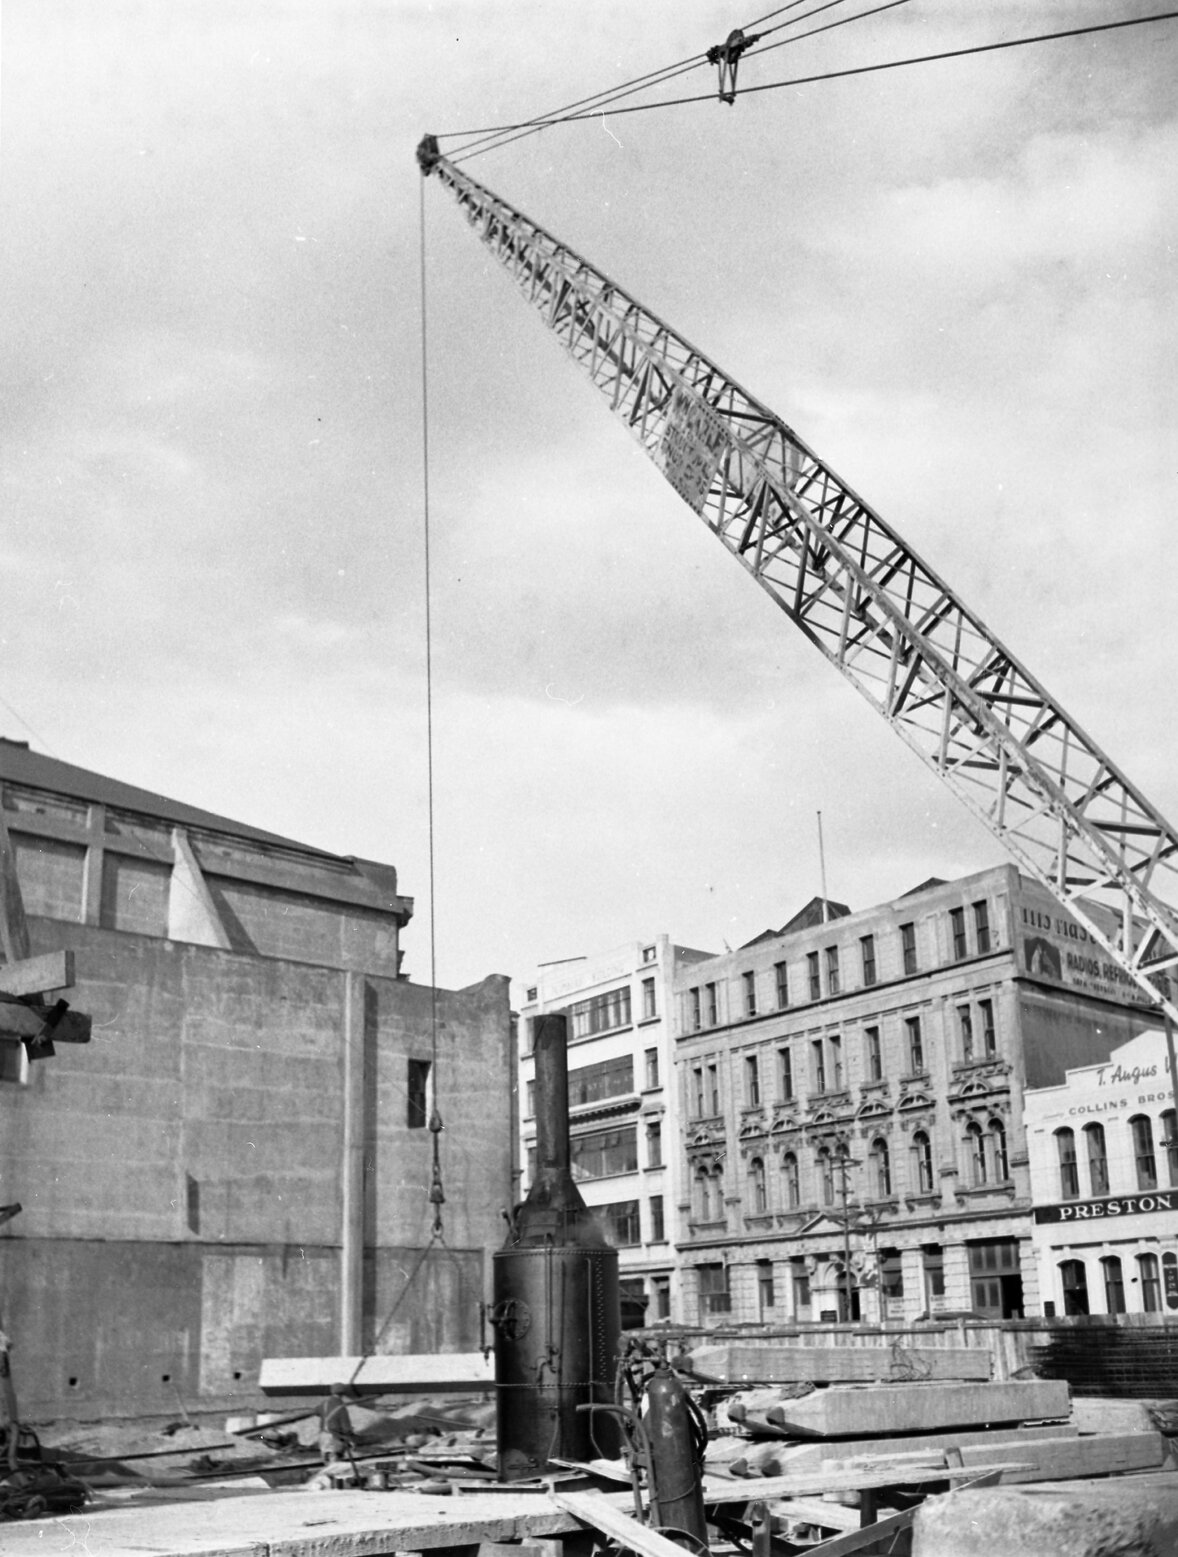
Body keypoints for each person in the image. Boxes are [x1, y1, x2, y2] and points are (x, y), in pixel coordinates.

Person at [316, 1383, 356, 1466]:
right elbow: (346, 1427)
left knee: (326, 1461)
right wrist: (350, 1437)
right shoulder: (340, 1406)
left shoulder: (324, 1403)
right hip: (334, 1437)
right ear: (343, 1393)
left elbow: (317, 1411)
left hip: (323, 1436)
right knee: (336, 1462)